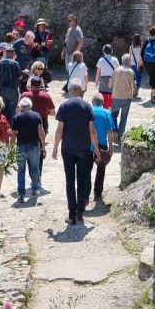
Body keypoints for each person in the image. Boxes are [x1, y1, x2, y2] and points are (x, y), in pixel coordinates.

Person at [51, 79, 98, 225]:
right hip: (84, 148)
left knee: (70, 181)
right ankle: (80, 213)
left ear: (71, 90)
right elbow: (92, 131)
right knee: (82, 180)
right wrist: (97, 149)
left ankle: (71, 214)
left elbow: (59, 130)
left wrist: (55, 148)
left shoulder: (64, 106)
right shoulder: (87, 106)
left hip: (68, 148)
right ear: (80, 91)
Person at [11, 95, 47, 201]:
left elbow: (13, 135)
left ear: (20, 107)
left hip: (21, 146)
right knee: (35, 168)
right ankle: (35, 189)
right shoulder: (36, 116)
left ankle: (21, 194)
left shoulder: (16, 118)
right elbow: (41, 132)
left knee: (21, 170)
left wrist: (11, 147)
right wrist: (43, 147)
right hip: (34, 146)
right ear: (30, 105)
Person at [89, 93, 117, 203]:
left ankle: (85, 195)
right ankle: (97, 194)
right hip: (102, 145)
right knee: (101, 170)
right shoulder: (107, 113)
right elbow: (110, 132)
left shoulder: (88, 111)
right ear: (103, 102)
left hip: (88, 145)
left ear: (92, 102)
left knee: (86, 170)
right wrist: (111, 148)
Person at [109, 53, 136, 143]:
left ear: (122, 61)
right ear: (129, 62)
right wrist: (133, 92)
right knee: (124, 116)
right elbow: (133, 86)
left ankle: (115, 131)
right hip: (126, 97)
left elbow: (110, 84)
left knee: (113, 115)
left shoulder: (116, 70)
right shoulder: (130, 72)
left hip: (116, 96)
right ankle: (121, 134)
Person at [0, 43, 22, 121]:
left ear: (5, 53)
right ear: (13, 54)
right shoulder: (15, 63)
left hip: (1, 89)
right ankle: (11, 126)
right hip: (12, 90)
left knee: (3, 109)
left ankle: (3, 125)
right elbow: (20, 77)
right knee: (12, 109)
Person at [96, 43, 120, 109]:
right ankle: (111, 108)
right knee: (112, 94)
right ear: (111, 51)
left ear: (103, 51)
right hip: (112, 79)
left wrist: (96, 81)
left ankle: (105, 108)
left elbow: (98, 72)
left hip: (103, 79)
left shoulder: (101, 60)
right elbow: (118, 70)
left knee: (104, 95)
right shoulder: (115, 59)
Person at [141, 26, 155, 103]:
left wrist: (143, 61)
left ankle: (152, 92)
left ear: (149, 33)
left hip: (147, 63)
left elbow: (142, 52)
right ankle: (153, 96)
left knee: (151, 76)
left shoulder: (147, 41)